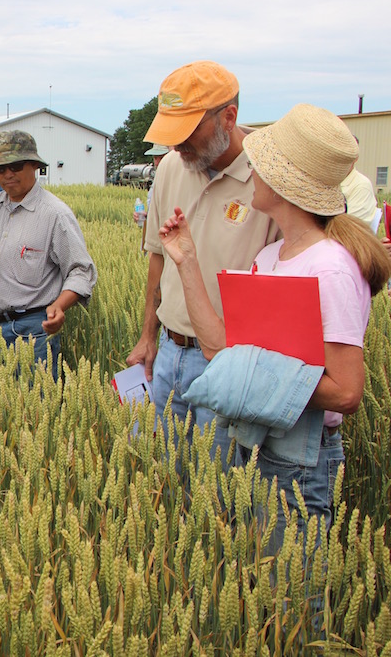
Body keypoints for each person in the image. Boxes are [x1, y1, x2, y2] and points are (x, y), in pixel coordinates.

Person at [158, 103, 391, 554]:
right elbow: (220, 350)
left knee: (295, 600)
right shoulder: (272, 258)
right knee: (260, 585)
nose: (252, 173)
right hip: (257, 444)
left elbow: (346, 391)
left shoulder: (331, 269)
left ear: (282, 186)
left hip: (300, 456)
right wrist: (185, 259)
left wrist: (258, 375)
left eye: (260, 167)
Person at [126, 61, 280, 464]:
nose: (176, 145)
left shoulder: (272, 177)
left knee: (220, 493)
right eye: (170, 134)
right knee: (159, 477)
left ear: (229, 117)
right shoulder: (171, 169)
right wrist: (148, 336)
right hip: (169, 352)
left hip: (231, 363)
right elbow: (157, 260)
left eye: (188, 132)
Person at [0, 130, 97, 381]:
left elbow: (81, 270)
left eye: (16, 166)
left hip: (34, 331)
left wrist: (59, 305)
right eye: (1, 169)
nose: (8, 174)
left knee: (37, 408)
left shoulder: (55, 214)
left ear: (34, 166)